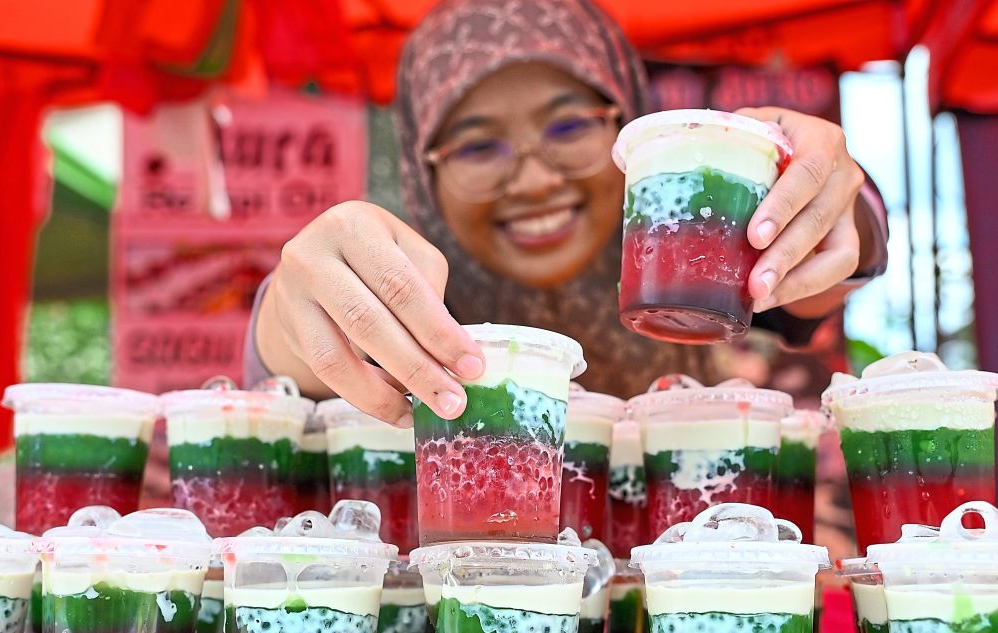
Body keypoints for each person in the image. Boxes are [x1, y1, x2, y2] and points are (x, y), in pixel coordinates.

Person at [248, 0, 887, 423]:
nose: (531, 180)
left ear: (629, 124)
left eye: (569, 126)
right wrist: (287, 310)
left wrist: (832, 198)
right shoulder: (410, 296)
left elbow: (837, 262)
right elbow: (292, 360)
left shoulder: (705, 250)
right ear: (423, 168)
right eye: (475, 144)